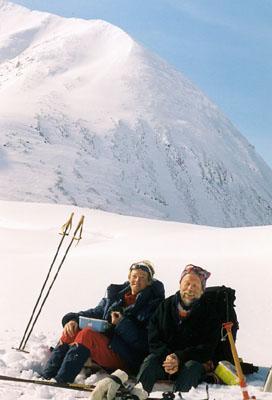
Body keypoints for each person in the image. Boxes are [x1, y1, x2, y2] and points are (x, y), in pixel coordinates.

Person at [41, 260, 165, 383]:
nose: (137, 280)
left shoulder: (155, 306)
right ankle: (47, 375)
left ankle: (61, 380)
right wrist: (73, 320)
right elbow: (95, 312)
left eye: (142, 277)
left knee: (87, 335)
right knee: (71, 329)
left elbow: (145, 342)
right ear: (129, 277)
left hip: (127, 357)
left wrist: (122, 324)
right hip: (108, 347)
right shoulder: (115, 297)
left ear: (149, 282)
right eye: (134, 276)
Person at [137, 264, 222, 393]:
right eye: (187, 283)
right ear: (180, 284)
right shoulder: (165, 306)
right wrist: (169, 358)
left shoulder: (210, 313)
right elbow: (154, 339)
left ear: (202, 290)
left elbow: (207, 348)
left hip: (191, 363)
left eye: (195, 285)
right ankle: (137, 395)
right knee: (150, 361)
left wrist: (179, 357)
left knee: (191, 367)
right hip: (166, 362)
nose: (190, 289)